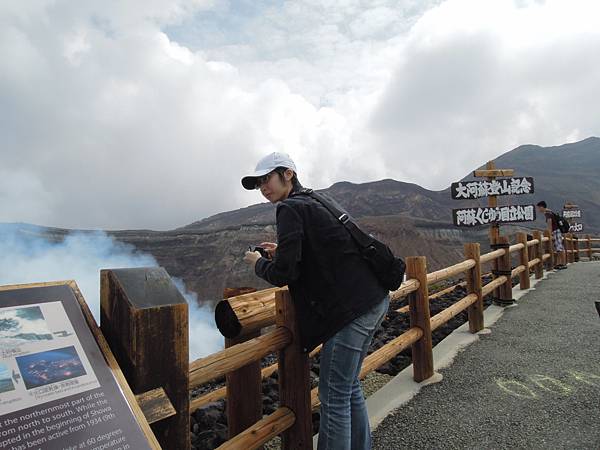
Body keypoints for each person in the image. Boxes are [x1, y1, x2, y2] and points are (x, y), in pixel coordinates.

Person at [241, 152, 390, 450]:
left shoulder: (288, 209)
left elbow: (284, 273)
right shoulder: (316, 200)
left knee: (333, 395)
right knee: (348, 387)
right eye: (258, 183)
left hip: (352, 313)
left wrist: (257, 263)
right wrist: (282, 248)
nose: (263, 188)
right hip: (373, 298)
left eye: (267, 179)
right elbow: (322, 248)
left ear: (288, 175)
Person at [536, 201, 567, 269]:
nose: (538, 210)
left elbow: (549, 223)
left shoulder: (547, 213)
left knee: (559, 248)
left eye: (538, 208)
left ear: (542, 207)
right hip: (557, 230)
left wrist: (549, 233)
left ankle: (563, 263)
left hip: (556, 231)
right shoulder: (550, 211)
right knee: (558, 248)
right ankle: (560, 263)